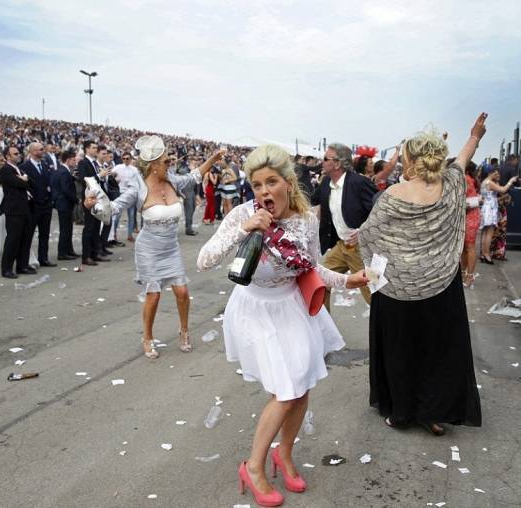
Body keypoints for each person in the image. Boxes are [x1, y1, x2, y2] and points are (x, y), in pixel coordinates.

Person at [197, 144, 368, 507]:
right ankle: (253, 467)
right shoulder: (244, 213)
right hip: (255, 309)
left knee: (301, 388)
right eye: (257, 185)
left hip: (292, 306)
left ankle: (284, 454)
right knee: (286, 392)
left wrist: (348, 281)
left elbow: (312, 268)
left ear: (288, 183)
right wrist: (244, 228)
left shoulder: (306, 220)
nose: (264, 192)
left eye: (271, 182)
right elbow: (204, 260)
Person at [359, 114, 488, 436]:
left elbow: (369, 237)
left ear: (409, 160)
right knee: (437, 351)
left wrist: (376, 279)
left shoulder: (393, 195)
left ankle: (402, 412)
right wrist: (475, 135)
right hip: (442, 285)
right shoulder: (453, 184)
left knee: (401, 350)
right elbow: (463, 158)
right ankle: (435, 413)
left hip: (397, 290)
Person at [133, 135, 224, 359]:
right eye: (166, 161)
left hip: (170, 249)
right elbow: (113, 208)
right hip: (148, 249)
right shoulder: (139, 189)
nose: (170, 163)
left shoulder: (173, 181)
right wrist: (94, 205)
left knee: (182, 292)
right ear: (153, 166)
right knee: (153, 296)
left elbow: (195, 176)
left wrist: (213, 159)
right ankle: (147, 337)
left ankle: (184, 331)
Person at [311, 143, 377, 310]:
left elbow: (380, 209)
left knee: (375, 292)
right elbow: (311, 200)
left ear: (337, 163)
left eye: (325, 158)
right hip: (342, 246)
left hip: (362, 249)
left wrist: (364, 230)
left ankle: (391, 324)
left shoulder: (359, 183)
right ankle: (323, 324)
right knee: (319, 280)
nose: (322, 161)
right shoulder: (326, 183)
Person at [0, 146, 34, 278]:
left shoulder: (19, 169)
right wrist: (23, 180)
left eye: (18, 153)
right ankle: (6, 268)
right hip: (14, 209)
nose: (19, 155)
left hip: (24, 207)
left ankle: (22, 265)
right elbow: (18, 183)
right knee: (13, 240)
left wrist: (24, 179)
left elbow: (31, 183)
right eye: (15, 154)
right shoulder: (6, 169)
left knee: (25, 238)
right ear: (8, 156)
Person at [21, 142, 57, 267]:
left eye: (43, 149)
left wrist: (50, 198)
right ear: (33, 151)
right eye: (40, 149)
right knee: (28, 234)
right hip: (33, 205)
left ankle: (43, 258)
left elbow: (50, 181)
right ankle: (25, 260)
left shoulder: (45, 165)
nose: (43, 152)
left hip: (46, 204)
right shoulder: (24, 167)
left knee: (44, 233)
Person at [77, 140, 109, 265]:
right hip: (89, 199)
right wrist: (99, 176)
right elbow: (84, 180)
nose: (96, 149)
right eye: (94, 147)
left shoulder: (95, 163)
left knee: (96, 227)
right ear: (87, 149)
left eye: (96, 147)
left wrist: (103, 177)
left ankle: (95, 254)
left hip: (98, 198)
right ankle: (86, 256)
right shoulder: (83, 163)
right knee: (89, 228)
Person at [479, 167, 518, 264]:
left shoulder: (484, 182)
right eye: (495, 174)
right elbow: (503, 190)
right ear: (490, 173)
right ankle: (487, 255)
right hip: (491, 209)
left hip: (486, 208)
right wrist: (511, 181)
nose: (497, 175)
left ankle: (483, 254)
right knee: (489, 233)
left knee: (485, 232)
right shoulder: (490, 183)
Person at [51, 149, 80, 260]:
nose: (75, 162)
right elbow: (65, 189)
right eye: (73, 160)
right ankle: (62, 253)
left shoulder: (62, 170)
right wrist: (76, 199)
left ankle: (69, 250)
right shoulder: (63, 172)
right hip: (64, 204)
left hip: (64, 203)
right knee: (65, 229)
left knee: (68, 228)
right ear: (67, 160)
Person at [490, 154, 519, 260]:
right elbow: (513, 185)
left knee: (494, 229)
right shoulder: (511, 169)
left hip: (496, 204)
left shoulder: (499, 168)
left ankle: (492, 251)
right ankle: (499, 253)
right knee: (501, 229)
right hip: (502, 203)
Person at [111, 152, 141, 241]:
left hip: (131, 194)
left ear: (131, 159)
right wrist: (114, 178)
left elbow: (138, 181)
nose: (125, 160)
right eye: (123, 158)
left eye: (127, 158)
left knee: (131, 216)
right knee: (117, 216)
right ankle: (114, 235)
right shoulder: (118, 167)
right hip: (120, 193)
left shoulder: (135, 170)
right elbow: (111, 175)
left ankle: (129, 235)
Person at [461, 161, 481, 288]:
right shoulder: (469, 178)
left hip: (470, 216)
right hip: (470, 215)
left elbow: (464, 200)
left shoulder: (465, 178)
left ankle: (469, 277)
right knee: (465, 247)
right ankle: (464, 274)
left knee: (469, 247)